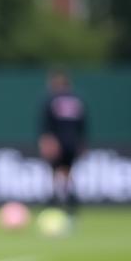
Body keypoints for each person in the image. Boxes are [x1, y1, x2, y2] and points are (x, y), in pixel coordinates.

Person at [37, 70, 87, 214]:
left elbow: (46, 122)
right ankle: (69, 198)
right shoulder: (77, 100)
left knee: (55, 170)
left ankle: (55, 199)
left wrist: (47, 140)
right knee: (67, 170)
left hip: (58, 141)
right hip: (73, 140)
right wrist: (82, 142)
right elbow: (82, 123)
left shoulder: (51, 99)